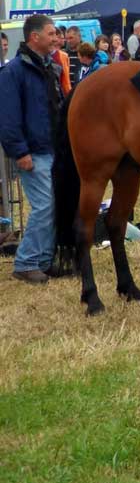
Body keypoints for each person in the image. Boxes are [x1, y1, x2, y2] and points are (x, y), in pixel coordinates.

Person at [0, 15, 62, 284]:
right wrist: (19, 151)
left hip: (52, 149)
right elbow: (8, 117)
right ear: (34, 37)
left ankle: (44, 261)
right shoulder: (13, 72)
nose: (55, 38)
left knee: (53, 205)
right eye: (51, 34)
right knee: (44, 206)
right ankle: (26, 262)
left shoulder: (49, 67)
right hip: (32, 152)